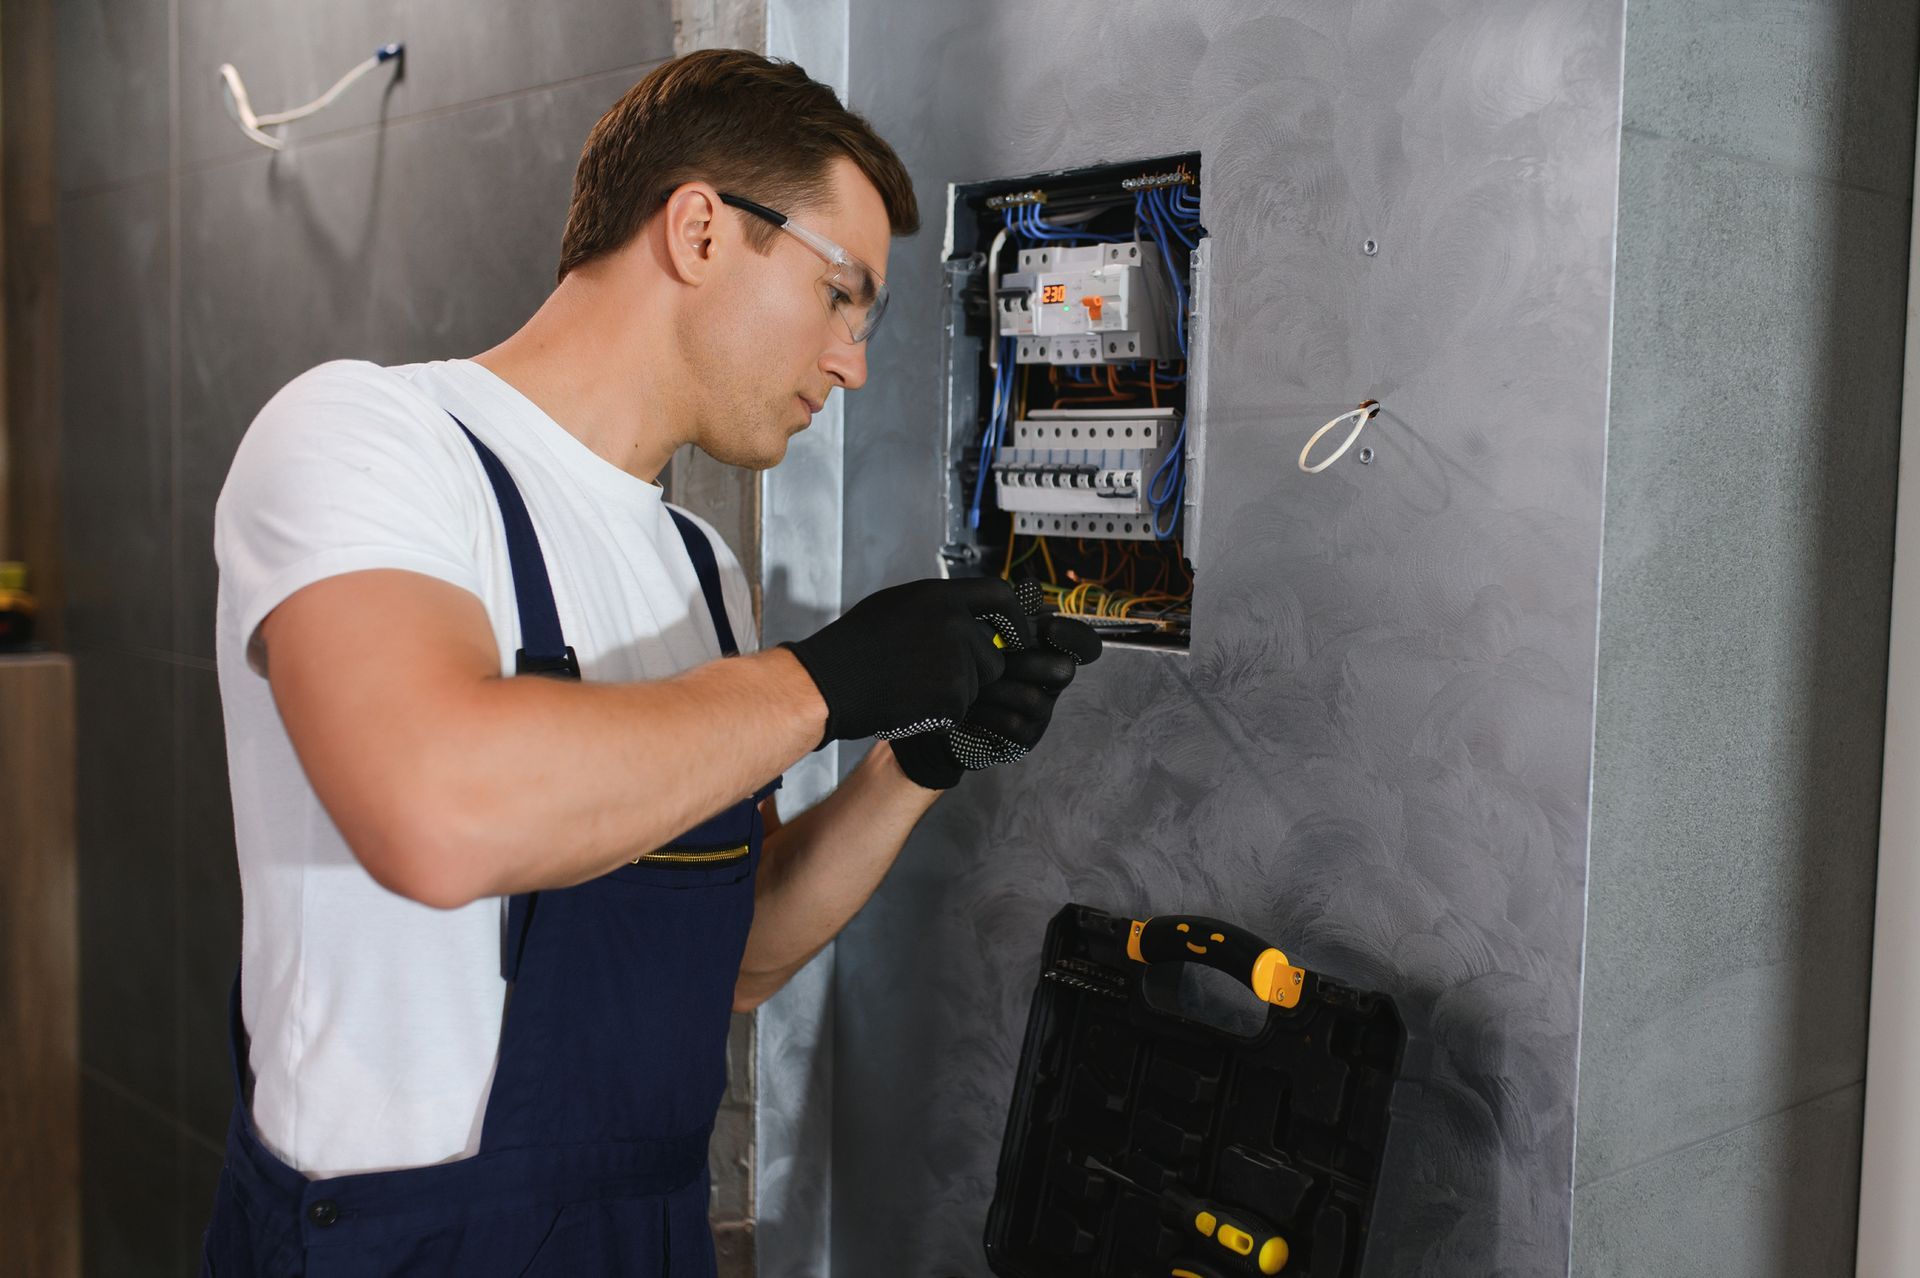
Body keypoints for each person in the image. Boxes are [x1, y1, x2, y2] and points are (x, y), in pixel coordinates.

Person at [198, 47, 1100, 1275]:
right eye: (844, 295)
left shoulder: (698, 569)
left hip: (645, 1237)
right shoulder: (370, 439)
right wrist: (825, 682)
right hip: (408, 1244)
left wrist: (920, 763)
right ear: (699, 231)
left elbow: (734, 959)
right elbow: (437, 810)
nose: (855, 363)